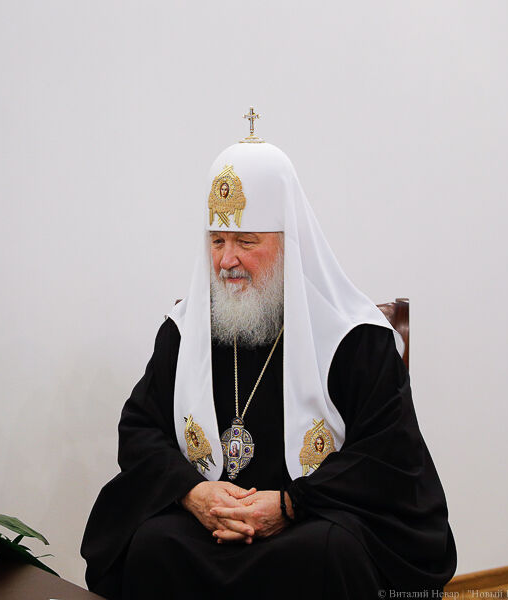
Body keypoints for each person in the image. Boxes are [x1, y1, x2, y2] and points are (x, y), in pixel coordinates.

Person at [81, 125, 456, 599]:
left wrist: (290, 505)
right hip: (210, 524)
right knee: (152, 544)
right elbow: (139, 429)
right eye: (217, 241)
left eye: (245, 241)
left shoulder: (356, 340)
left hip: (309, 522)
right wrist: (193, 493)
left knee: (329, 551)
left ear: (288, 242)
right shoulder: (184, 332)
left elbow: (387, 457)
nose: (226, 261)